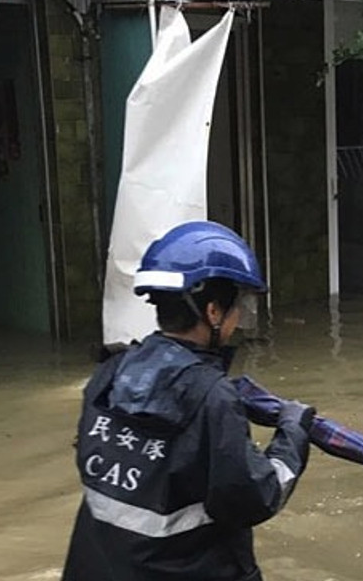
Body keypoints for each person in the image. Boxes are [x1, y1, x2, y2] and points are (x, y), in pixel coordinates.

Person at [63, 221, 313, 581]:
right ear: (213, 311)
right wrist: (293, 433)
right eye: (235, 306)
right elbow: (253, 497)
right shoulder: (213, 397)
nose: (238, 316)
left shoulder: (110, 373)